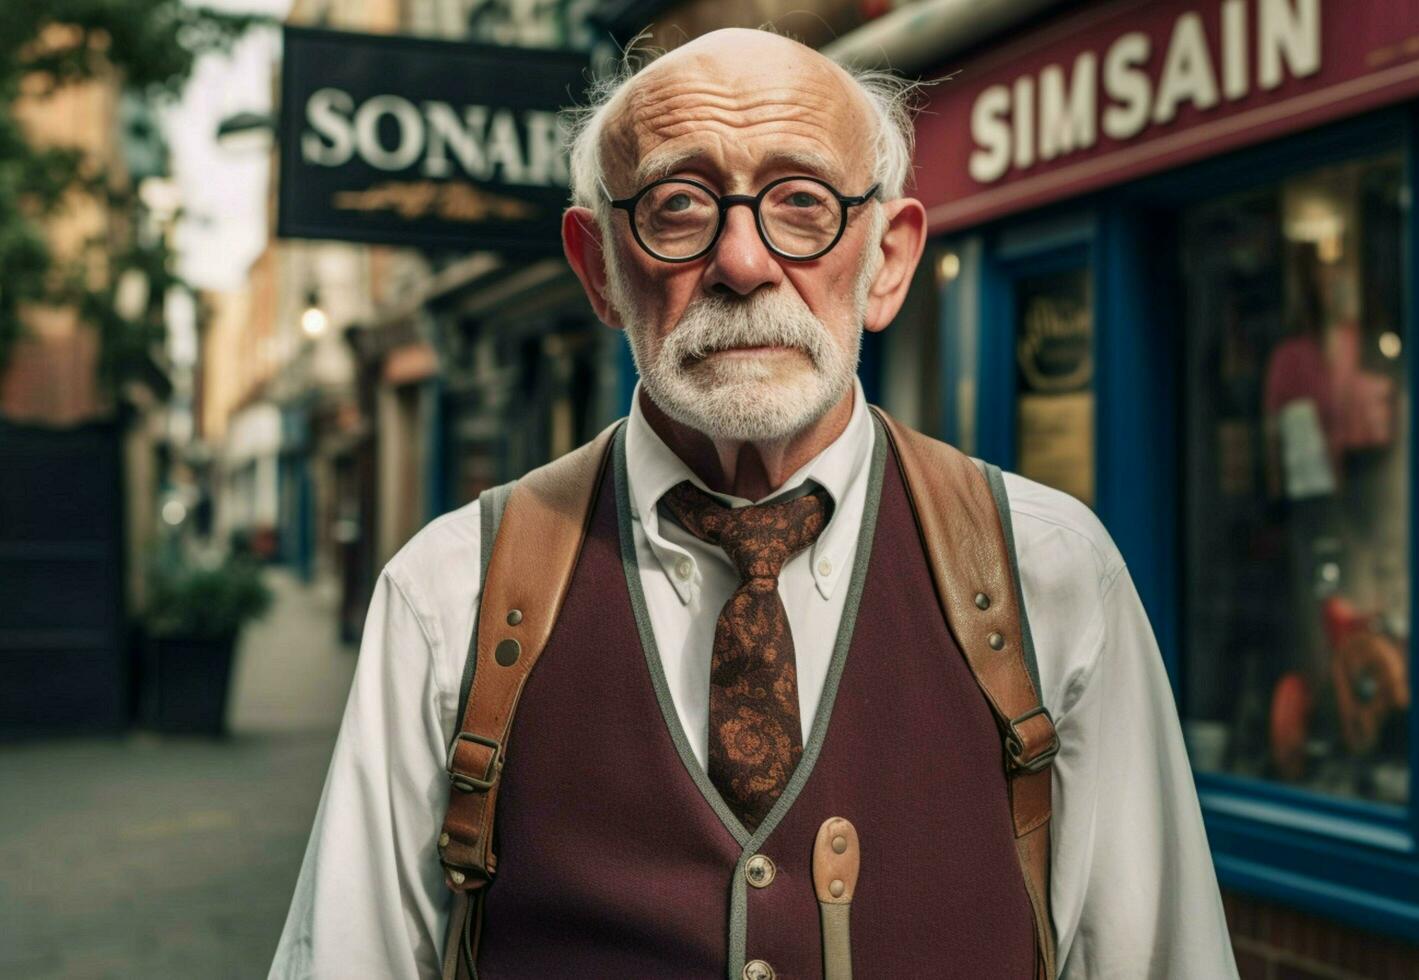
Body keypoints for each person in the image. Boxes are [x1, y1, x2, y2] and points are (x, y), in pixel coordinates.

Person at [270, 28, 1238, 979]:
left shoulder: (1049, 567)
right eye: (679, 204)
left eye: (804, 202)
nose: (742, 260)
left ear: (889, 259)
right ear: (600, 265)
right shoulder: (451, 589)